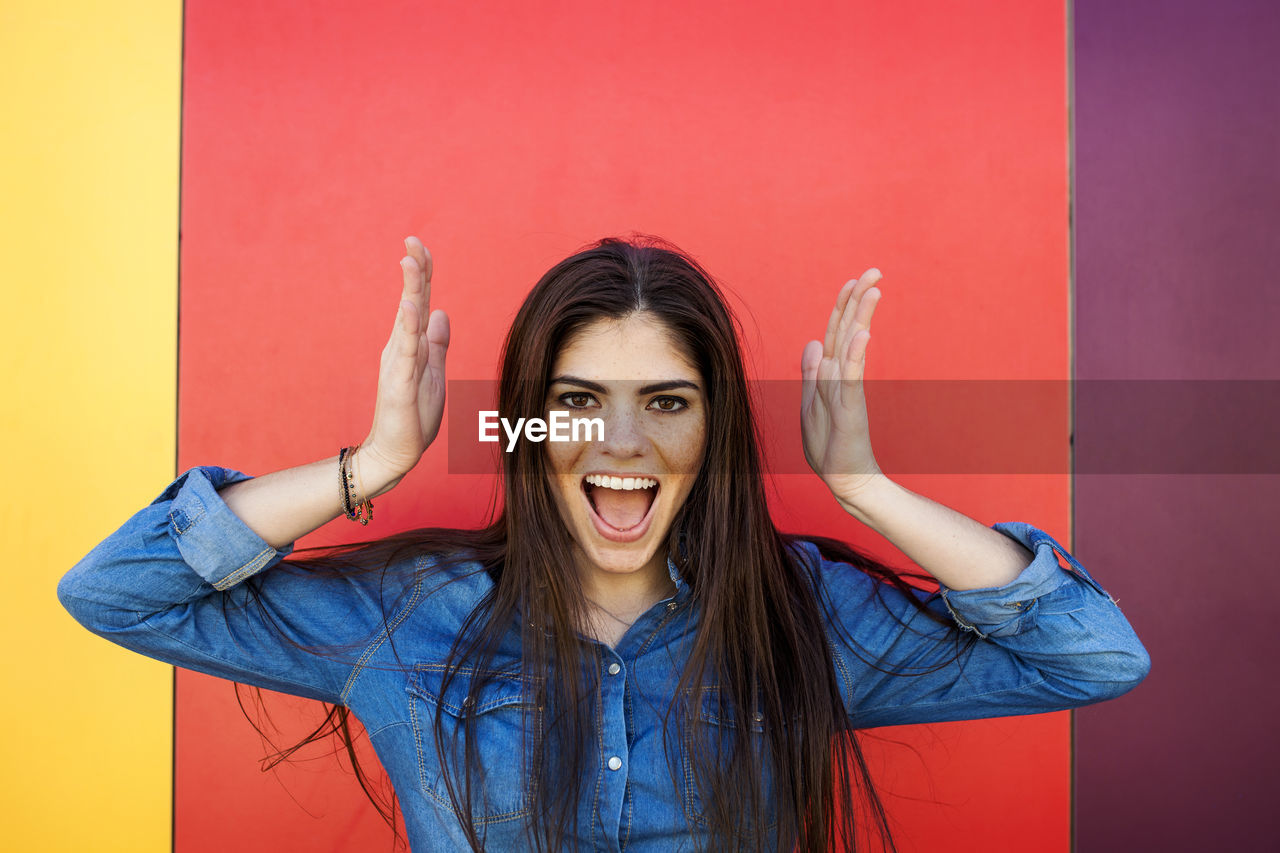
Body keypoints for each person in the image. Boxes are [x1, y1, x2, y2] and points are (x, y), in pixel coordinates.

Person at [59, 235, 1149, 852]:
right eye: (578, 401)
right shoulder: (408, 614)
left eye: (667, 402)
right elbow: (118, 591)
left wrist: (861, 487)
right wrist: (372, 465)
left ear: (713, 427)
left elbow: (1092, 654)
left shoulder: (801, 618)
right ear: (529, 426)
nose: (620, 443)